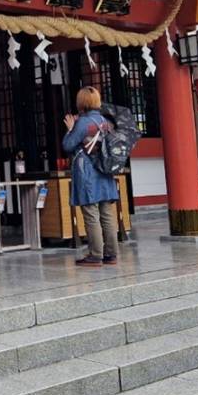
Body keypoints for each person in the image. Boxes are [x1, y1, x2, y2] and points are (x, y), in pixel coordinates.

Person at [62, 86, 120, 267]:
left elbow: (68, 145)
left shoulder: (82, 123)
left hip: (88, 172)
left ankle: (95, 255)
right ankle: (111, 254)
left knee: (91, 214)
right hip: (105, 171)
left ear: (81, 102)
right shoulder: (105, 122)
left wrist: (70, 129)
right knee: (107, 214)